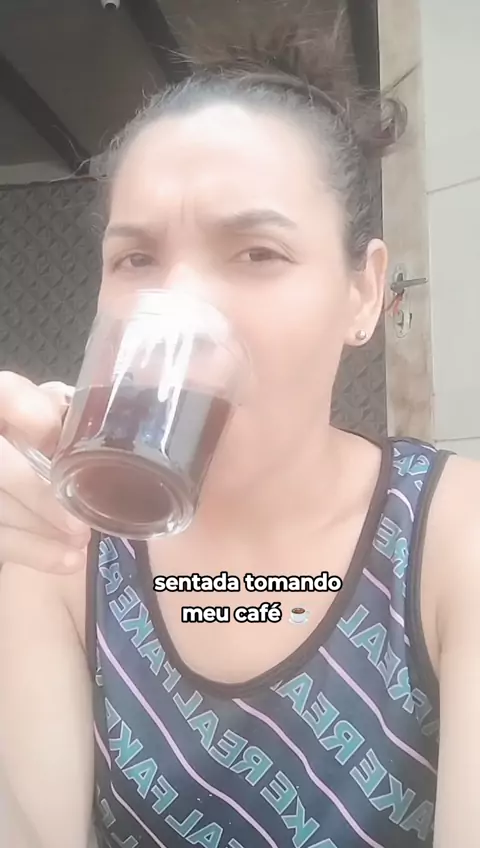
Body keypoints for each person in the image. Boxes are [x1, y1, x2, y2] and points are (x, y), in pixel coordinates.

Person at [0, 21, 478, 848]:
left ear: (364, 292)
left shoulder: (451, 538)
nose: (182, 309)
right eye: (136, 260)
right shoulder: (58, 541)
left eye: (258, 253)